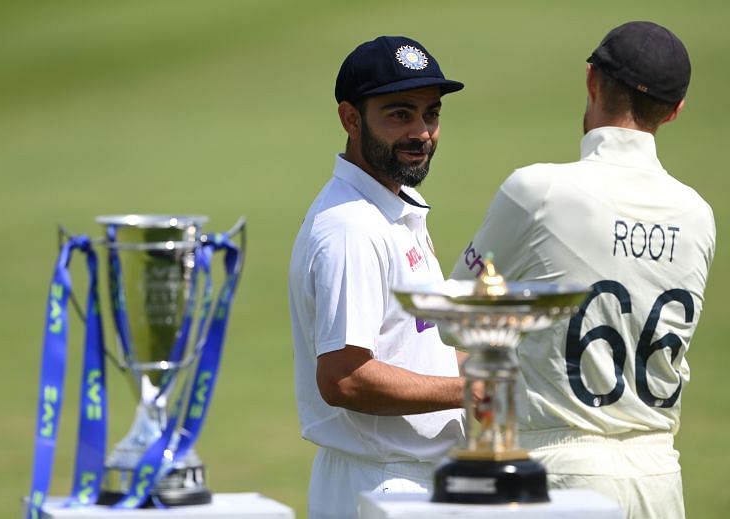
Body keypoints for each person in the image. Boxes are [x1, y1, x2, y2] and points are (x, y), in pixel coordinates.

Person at [450, 21, 715, 519]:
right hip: (661, 478)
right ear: (675, 111)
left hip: (560, 473)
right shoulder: (698, 214)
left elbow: (452, 318)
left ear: (592, 81)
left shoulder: (538, 190)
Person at [288, 36, 467, 518]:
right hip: (383, 485)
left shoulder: (391, 211)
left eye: (431, 114)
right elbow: (344, 377)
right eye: (399, 114)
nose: (422, 131)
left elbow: (416, 347)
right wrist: (476, 389)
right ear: (351, 119)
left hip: (407, 480)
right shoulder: (351, 227)